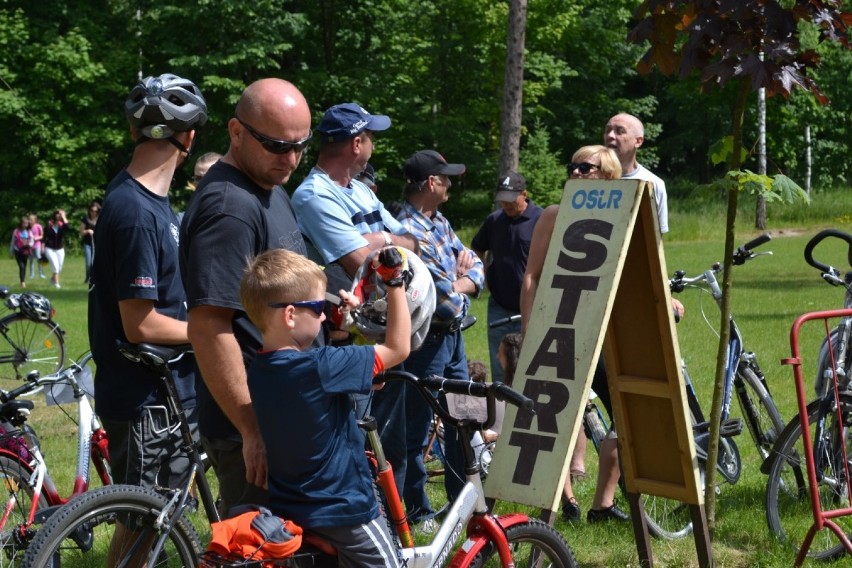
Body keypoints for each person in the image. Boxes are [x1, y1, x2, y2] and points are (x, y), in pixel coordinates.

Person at [180, 77, 313, 515]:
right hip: (254, 428)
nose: (290, 158)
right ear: (236, 133)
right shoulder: (229, 207)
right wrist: (252, 428)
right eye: (277, 145)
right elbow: (209, 325)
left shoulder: (271, 188)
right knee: (260, 551)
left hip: (285, 413)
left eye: (300, 146)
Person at [240, 247, 410, 567]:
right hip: (346, 509)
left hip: (295, 506)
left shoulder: (260, 369)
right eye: (318, 308)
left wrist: (352, 324)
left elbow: (331, 382)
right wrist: (395, 281)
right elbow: (398, 347)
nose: (323, 316)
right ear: (289, 315)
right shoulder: (321, 366)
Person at [89, 73, 207, 497]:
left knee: (156, 522)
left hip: (163, 391)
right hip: (145, 399)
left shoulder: (147, 203)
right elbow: (140, 324)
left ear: (132, 130)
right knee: (143, 526)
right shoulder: (137, 212)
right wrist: (210, 333)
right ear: (189, 139)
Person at [521, 145, 628, 524]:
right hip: (558, 329)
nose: (577, 173)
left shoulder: (623, 215)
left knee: (626, 413)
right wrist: (528, 330)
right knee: (551, 415)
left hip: (606, 333)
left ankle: (603, 504)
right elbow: (531, 276)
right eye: (573, 166)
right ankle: (562, 501)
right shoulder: (553, 215)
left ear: (609, 176)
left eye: (587, 167)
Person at [391, 149, 485, 526]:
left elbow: (476, 264)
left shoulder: (439, 222)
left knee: (462, 419)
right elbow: (445, 303)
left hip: (451, 339)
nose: (449, 185)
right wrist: (463, 288)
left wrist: (463, 281)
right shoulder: (408, 230)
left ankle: (462, 505)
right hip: (424, 340)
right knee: (416, 426)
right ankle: (417, 510)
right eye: (445, 178)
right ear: (431, 183)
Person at [292, 102, 418, 346]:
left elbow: (416, 242)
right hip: (343, 334)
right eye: (371, 137)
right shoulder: (315, 195)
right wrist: (395, 249)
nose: (374, 144)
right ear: (357, 144)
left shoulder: (362, 190)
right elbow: (363, 264)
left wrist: (383, 239)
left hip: (381, 323)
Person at [471, 171, 543, 384]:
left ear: (524, 194)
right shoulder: (494, 221)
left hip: (534, 308)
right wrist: (481, 275)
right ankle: (503, 413)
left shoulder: (541, 219)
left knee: (533, 363)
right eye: (502, 200)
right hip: (499, 306)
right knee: (501, 366)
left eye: (511, 200)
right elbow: (477, 249)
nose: (506, 204)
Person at [604, 113, 668, 234]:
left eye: (620, 131)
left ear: (638, 141)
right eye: (607, 130)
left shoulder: (654, 184)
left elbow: (655, 240)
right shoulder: (591, 177)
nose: (610, 136)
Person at [43, 209, 70, 288]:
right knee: (55, 266)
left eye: (60, 214)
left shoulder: (62, 225)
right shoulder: (49, 224)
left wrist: (64, 217)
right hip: (50, 248)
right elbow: (45, 236)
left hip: (60, 248)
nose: (59, 215)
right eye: (58, 214)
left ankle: (53, 279)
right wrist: (42, 246)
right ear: (54, 215)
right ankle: (56, 284)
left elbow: (68, 228)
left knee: (59, 268)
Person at [80, 200, 100, 284]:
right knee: (88, 263)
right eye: (92, 210)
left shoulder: (100, 219)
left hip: (97, 244)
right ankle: (88, 277)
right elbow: (81, 232)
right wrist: (88, 231)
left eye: (96, 211)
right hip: (88, 244)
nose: (93, 213)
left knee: (96, 263)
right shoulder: (85, 220)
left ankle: (94, 278)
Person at [10, 216, 32, 288]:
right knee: (21, 266)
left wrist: (29, 244)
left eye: (27, 223)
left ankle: (23, 280)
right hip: (18, 251)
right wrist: (11, 252)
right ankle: (22, 282)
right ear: (21, 223)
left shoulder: (29, 231)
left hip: (26, 251)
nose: (26, 225)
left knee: (24, 266)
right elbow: (13, 241)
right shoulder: (16, 231)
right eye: (24, 223)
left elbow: (32, 240)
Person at [27, 213, 44, 280]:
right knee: (31, 260)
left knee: (39, 259)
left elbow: (42, 235)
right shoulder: (28, 227)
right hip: (30, 246)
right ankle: (32, 274)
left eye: (31, 220)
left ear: (35, 220)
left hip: (37, 245)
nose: (29, 221)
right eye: (29, 219)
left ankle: (41, 273)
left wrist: (36, 238)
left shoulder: (38, 226)